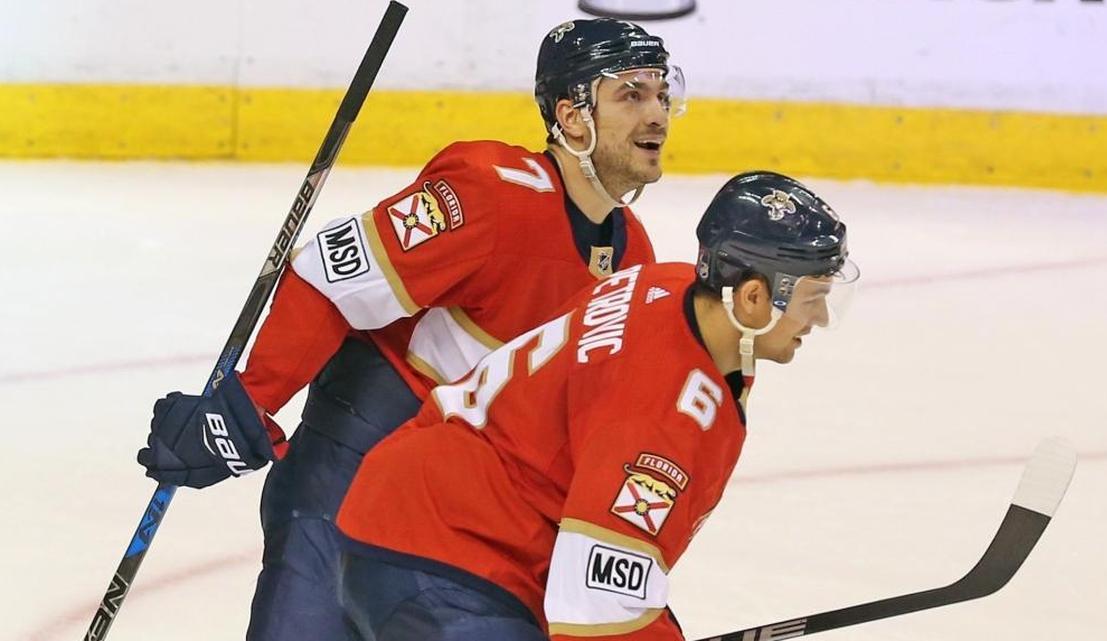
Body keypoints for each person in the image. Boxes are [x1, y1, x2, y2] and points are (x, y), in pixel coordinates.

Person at [136, 17, 685, 641]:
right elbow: (331, 275)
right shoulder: (491, 195)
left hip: (458, 512)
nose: (658, 115)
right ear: (572, 113)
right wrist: (245, 403)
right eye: (632, 95)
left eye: (663, 95)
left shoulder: (633, 256)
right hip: (351, 472)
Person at [334, 171, 860, 640]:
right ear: (751, 297)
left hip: (436, 520)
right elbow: (595, 606)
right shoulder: (659, 414)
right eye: (814, 297)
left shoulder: (669, 286)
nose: (819, 319)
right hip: (443, 554)